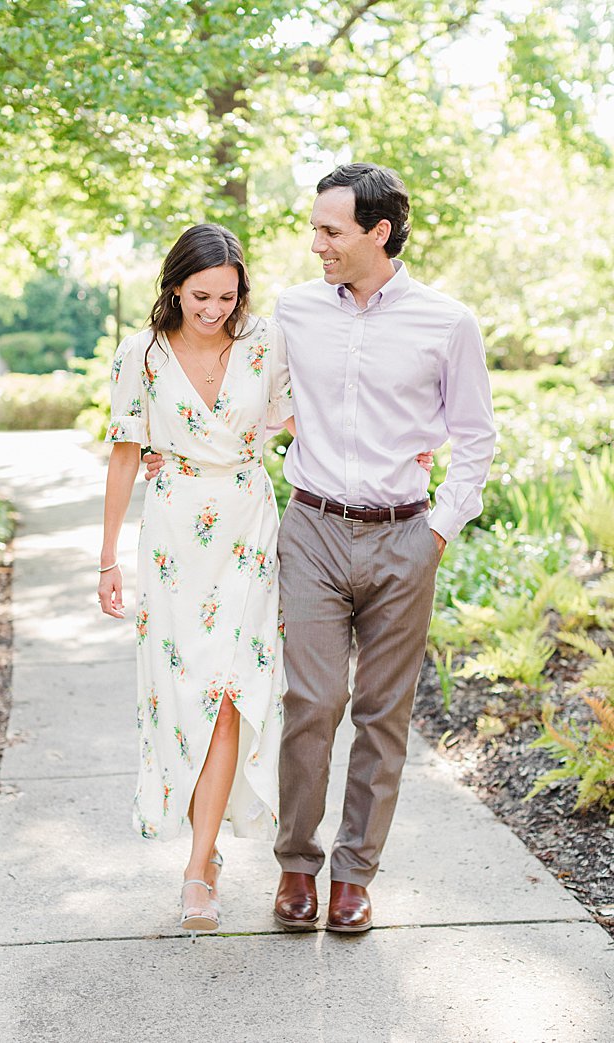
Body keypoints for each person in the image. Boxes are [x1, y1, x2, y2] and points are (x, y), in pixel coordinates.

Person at [268, 163, 494, 934]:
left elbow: (475, 438)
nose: (316, 244)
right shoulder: (291, 311)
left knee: (383, 713)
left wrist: (437, 531)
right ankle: (297, 863)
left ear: (378, 231)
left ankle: (353, 876)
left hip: (405, 533)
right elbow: (251, 399)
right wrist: (175, 448)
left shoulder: (447, 321)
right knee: (314, 700)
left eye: (329, 230)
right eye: (315, 228)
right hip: (314, 529)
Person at [98, 223, 294, 936]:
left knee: (234, 690)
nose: (214, 309)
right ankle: (202, 856)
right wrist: (107, 556)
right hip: (176, 535)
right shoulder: (141, 355)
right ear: (175, 285)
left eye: (228, 296)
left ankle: (198, 863)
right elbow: (125, 453)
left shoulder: (265, 344)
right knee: (185, 697)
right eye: (201, 295)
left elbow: (312, 414)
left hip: (248, 527)